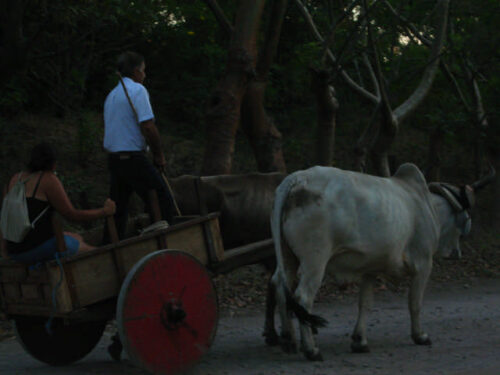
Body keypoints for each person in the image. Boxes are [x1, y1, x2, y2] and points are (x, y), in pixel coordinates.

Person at [2, 142, 116, 264]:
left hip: (14, 252)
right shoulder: (47, 179)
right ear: (53, 163)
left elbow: (3, 219)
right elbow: (72, 215)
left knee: (77, 237)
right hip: (36, 249)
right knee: (90, 250)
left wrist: (4, 253)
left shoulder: (14, 179)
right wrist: (104, 211)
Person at [103, 51, 175, 240]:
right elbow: (148, 126)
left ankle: (109, 245)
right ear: (136, 72)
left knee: (118, 209)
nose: (144, 75)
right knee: (163, 200)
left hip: (114, 160)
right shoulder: (137, 90)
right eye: (143, 71)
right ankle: (165, 243)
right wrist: (159, 155)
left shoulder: (111, 96)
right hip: (132, 159)